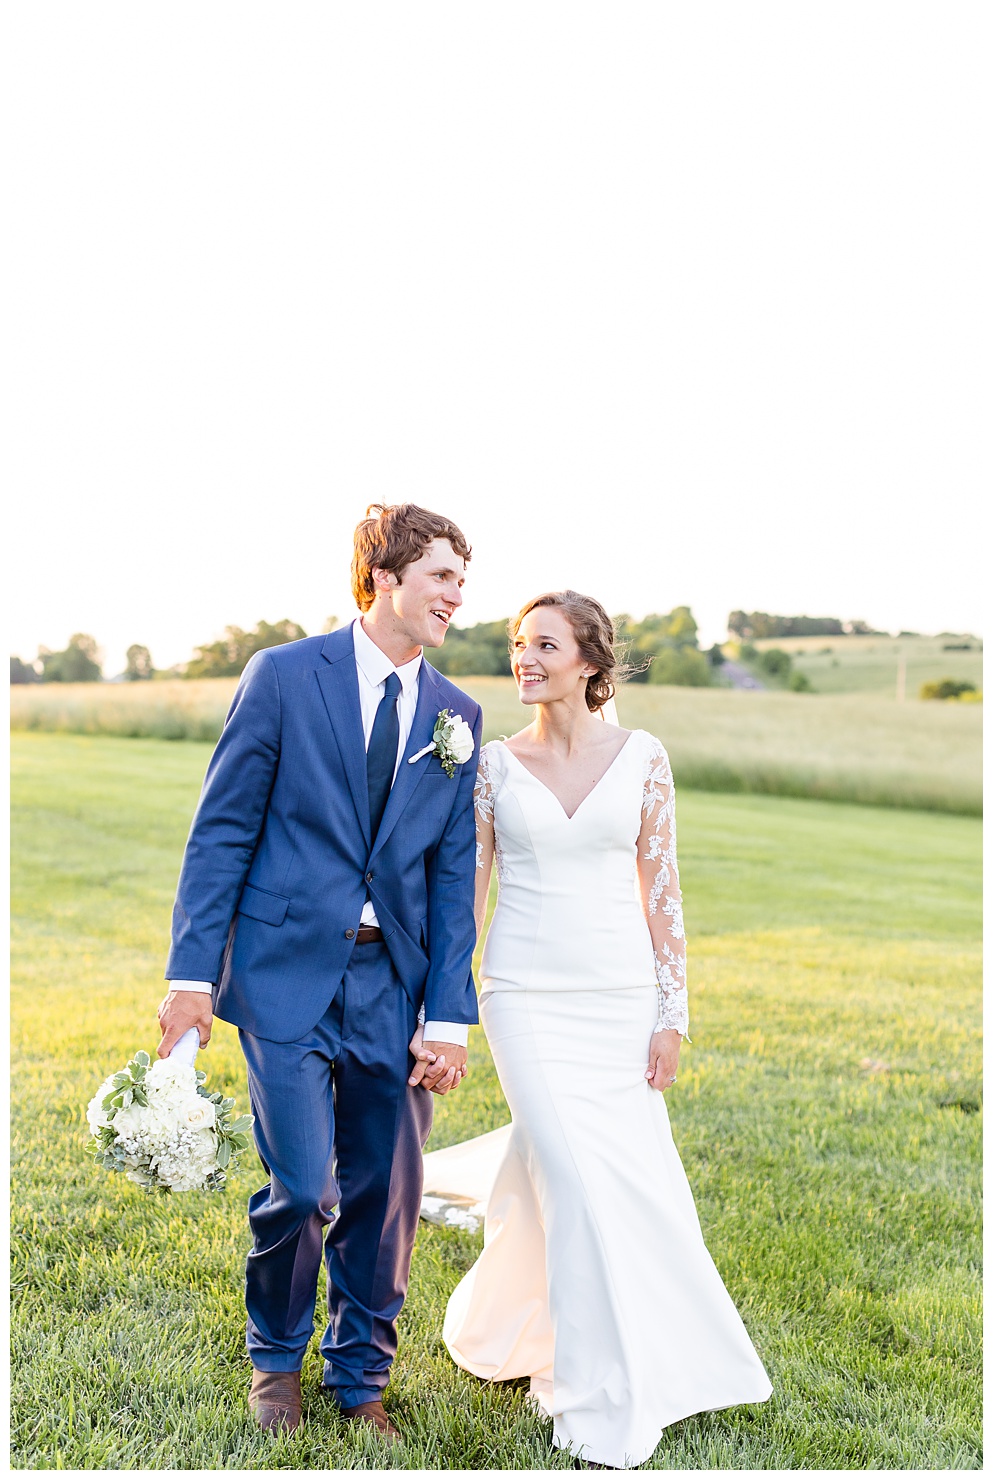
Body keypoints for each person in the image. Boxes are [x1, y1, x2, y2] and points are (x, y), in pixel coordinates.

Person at [156, 503, 482, 1441]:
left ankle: (360, 1379)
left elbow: (453, 881)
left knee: (385, 1196)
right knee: (304, 1187)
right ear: (383, 577)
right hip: (285, 971)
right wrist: (192, 975)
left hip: (394, 984)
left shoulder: (455, 716)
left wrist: (447, 1015)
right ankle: (274, 1363)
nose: (456, 597)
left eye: (462, 581)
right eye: (441, 577)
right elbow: (222, 829)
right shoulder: (286, 677)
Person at [440, 590, 772, 1469]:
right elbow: (468, 898)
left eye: (543, 645)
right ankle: (592, 1395)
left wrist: (671, 1014)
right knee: (573, 1179)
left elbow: (660, 893)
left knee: (626, 1179)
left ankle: (635, 1344)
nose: (525, 659)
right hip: (523, 996)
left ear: (589, 661)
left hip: (619, 998)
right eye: (518, 645)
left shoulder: (643, 758)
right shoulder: (493, 765)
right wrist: (449, 1013)